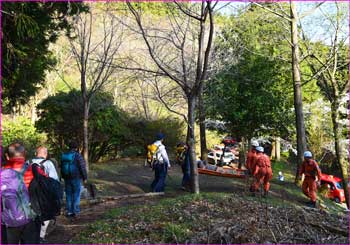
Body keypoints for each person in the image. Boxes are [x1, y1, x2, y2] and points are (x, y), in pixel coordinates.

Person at [2, 143, 46, 244]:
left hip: (8, 220)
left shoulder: (2, 173)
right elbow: (45, 191)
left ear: (7, 156)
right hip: (32, 217)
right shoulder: (34, 170)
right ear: (25, 154)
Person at [31, 146, 59, 243]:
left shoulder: (28, 163)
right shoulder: (48, 163)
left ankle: (32, 236)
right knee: (45, 214)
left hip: (30, 194)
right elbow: (54, 181)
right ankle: (41, 237)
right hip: (44, 195)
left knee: (33, 214)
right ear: (46, 154)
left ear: (36, 153)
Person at [61, 141, 87, 219]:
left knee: (68, 195)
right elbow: (82, 167)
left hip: (67, 178)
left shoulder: (64, 155)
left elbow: (61, 167)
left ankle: (69, 211)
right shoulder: (77, 156)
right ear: (76, 148)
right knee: (76, 194)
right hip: (76, 178)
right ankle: (76, 211)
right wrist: (85, 177)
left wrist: (62, 176)